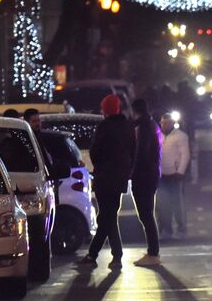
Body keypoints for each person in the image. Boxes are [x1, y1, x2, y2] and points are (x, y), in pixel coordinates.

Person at [77, 94, 134, 269]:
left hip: (104, 177)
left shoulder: (104, 126)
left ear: (105, 109)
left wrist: (100, 165)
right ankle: (93, 254)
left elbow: (95, 151)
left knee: (107, 217)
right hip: (119, 177)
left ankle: (116, 254)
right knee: (108, 215)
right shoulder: (127, 126)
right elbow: (133, 151)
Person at [131, 98, 164, 266]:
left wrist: (133, 171)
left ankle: (153, 252)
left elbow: (141, 152)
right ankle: (153, 251)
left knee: (146, 214)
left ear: (135, 111)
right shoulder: (152, 125)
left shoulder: (143, 127)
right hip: (152, 173)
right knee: (147, 213)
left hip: (144, 175)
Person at [158, 113, 191, 239]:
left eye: (167, 123)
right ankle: (166, 229)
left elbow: (185, 155)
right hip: (161, 175)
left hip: (175, 174)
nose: (164, 125)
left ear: (172, 123)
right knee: (163, 203)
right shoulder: (158, 136)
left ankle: (181, 229)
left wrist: (180, 171)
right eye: (163, 123)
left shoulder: (181, 136)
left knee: (177, 203)